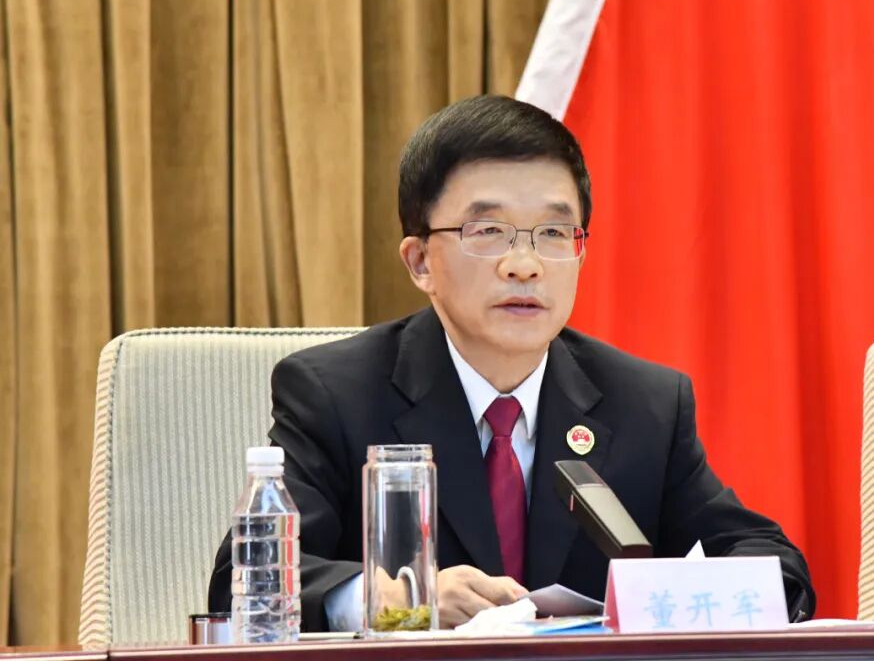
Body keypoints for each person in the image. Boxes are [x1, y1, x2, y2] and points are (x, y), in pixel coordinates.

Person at [208, 95, 815, 631]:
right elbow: (244, 579)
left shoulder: (645, 403)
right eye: (488, 231)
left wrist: (678, 598)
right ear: (419, 262)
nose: (524, 265)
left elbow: (769, 563)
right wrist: (391, 600)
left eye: (553, 234)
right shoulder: (335, 393)